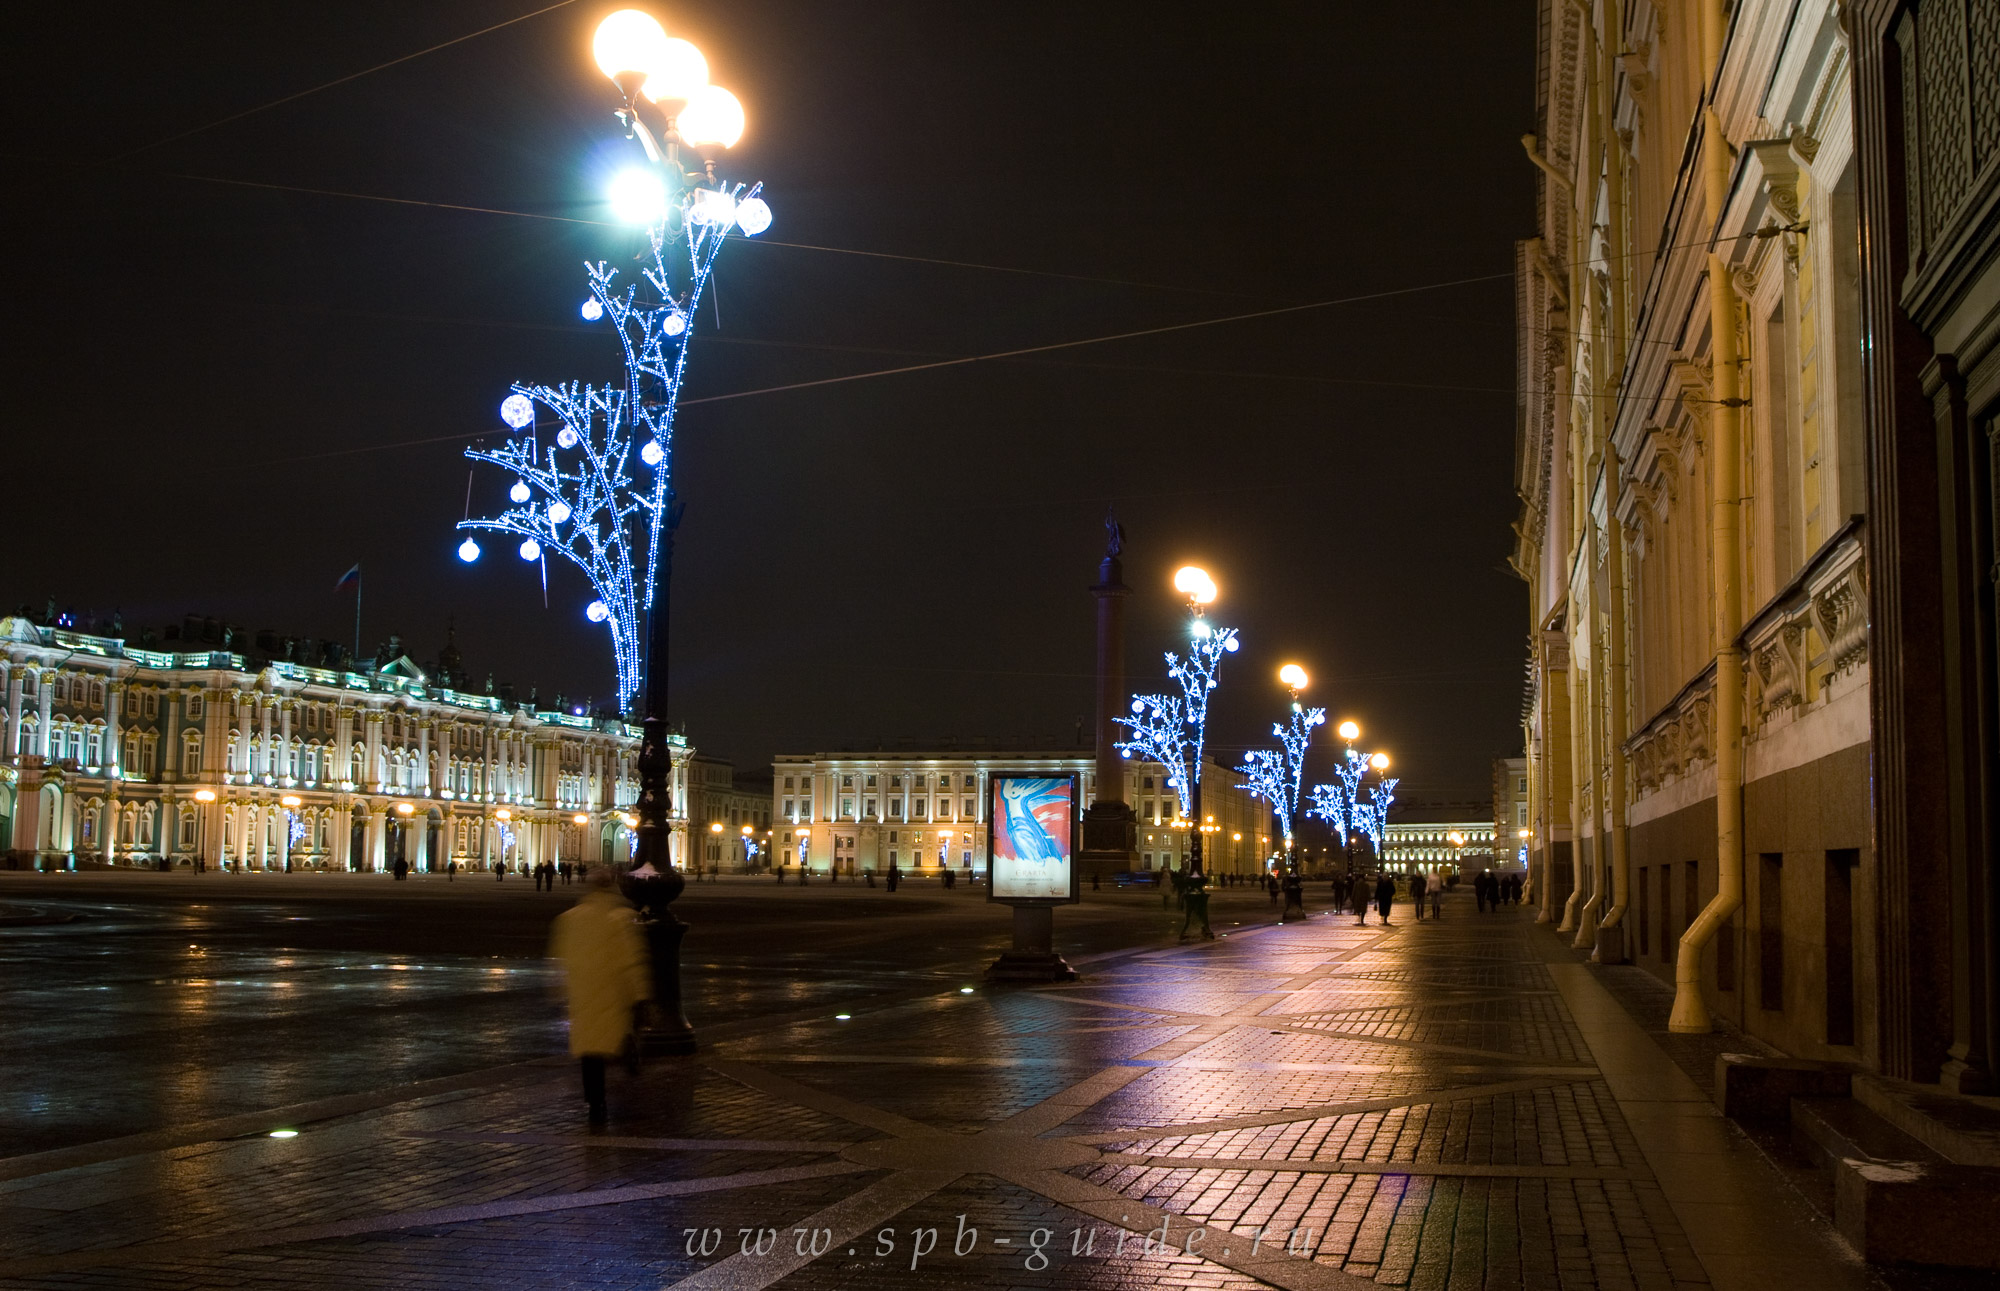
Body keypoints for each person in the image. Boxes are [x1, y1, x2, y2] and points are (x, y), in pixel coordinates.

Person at [549, 868, 652, 1126]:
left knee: (590, 1053)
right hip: (614, 994)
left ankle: (595, 1103)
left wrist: (559, 992)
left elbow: (560, 959)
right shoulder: (621, 918)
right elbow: (633, 961)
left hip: (583, 996)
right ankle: (628, 1060)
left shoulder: (569, 919)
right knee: (616, 1038)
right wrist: (641, 995)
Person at [1179, 871, 1213, 940]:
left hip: (1193, 899)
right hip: (1198, 899)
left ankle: (1186, 931)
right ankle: (1205, 929)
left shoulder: (1189, 887)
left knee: (1189, 917)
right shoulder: (1199, 884)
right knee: (1202, 916)